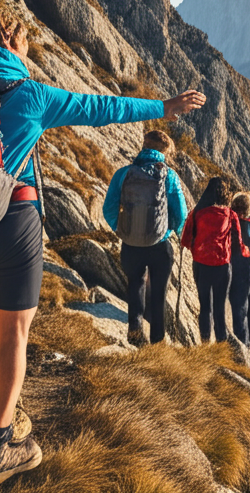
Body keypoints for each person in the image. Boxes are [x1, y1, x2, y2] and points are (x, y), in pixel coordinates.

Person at [0, 9, 205, 486]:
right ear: (10, 37)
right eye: (26, 37)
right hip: (14, 223)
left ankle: (3, 415)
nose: (29, 46)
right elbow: (100, 109)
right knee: (15, 330)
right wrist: (163, 108)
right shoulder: (30, 94)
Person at [102, 130, 187, 347]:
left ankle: (135, 336)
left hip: (130, 243)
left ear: (144, 145)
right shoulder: (170, 176)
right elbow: (180, 214)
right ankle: (157, 342)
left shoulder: (124, 173)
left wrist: (122, 229)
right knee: (159, 293)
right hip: (159, 245)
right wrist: (169, 232)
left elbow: (109, 207)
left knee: (135, 287)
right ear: (164, 151)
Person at [179, 177, 248, 343]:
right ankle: (221, 346)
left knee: (205, 307)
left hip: (201, 265)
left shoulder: (196, 213)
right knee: (219, 309)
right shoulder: (230, 215)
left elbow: (185, 240)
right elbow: (239, 243)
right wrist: (245, 252)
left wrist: (199, 247)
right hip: (222, 267)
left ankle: (204, 342)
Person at [227, 192, 250, 352]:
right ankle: (243, 343)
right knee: (242, 303)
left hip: (228, 262)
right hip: (245, 265)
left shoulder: (228, 220)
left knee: (230, 300)